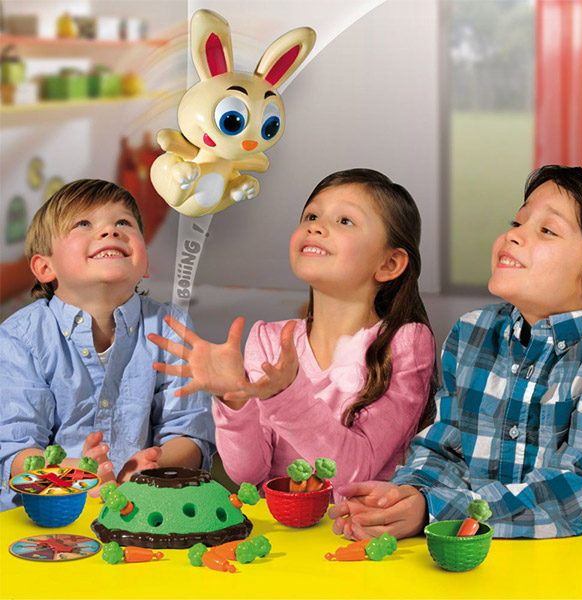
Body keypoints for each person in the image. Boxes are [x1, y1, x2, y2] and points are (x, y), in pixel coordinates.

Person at [329, 165, 582, 538]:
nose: (513, 235)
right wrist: (410, 495)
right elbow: (444, 448)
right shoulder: (473, 332)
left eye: (547, 230)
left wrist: (439, 510)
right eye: (518, 222)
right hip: (466, 558)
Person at [149, 168, 437, 502]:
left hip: (353, 529)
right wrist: (233, 399)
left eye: (345, 220)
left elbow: (354, 471)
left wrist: (285, 394)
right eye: (311, 216)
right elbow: (248, 475)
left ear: (389, 264)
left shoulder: (406, 342)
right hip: (278, 528)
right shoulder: (268, 339)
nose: (316, 226)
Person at [0, 179, 215, 511]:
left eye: (123, 223)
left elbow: (191, 434)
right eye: (83, 224)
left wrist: (150, 467)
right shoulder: (20, 337)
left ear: (145, 264)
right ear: (45, 267)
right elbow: (15, 451)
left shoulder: (171, 326)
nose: (110, 231)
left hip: (144, 510)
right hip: (45, 515)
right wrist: (73, 475)